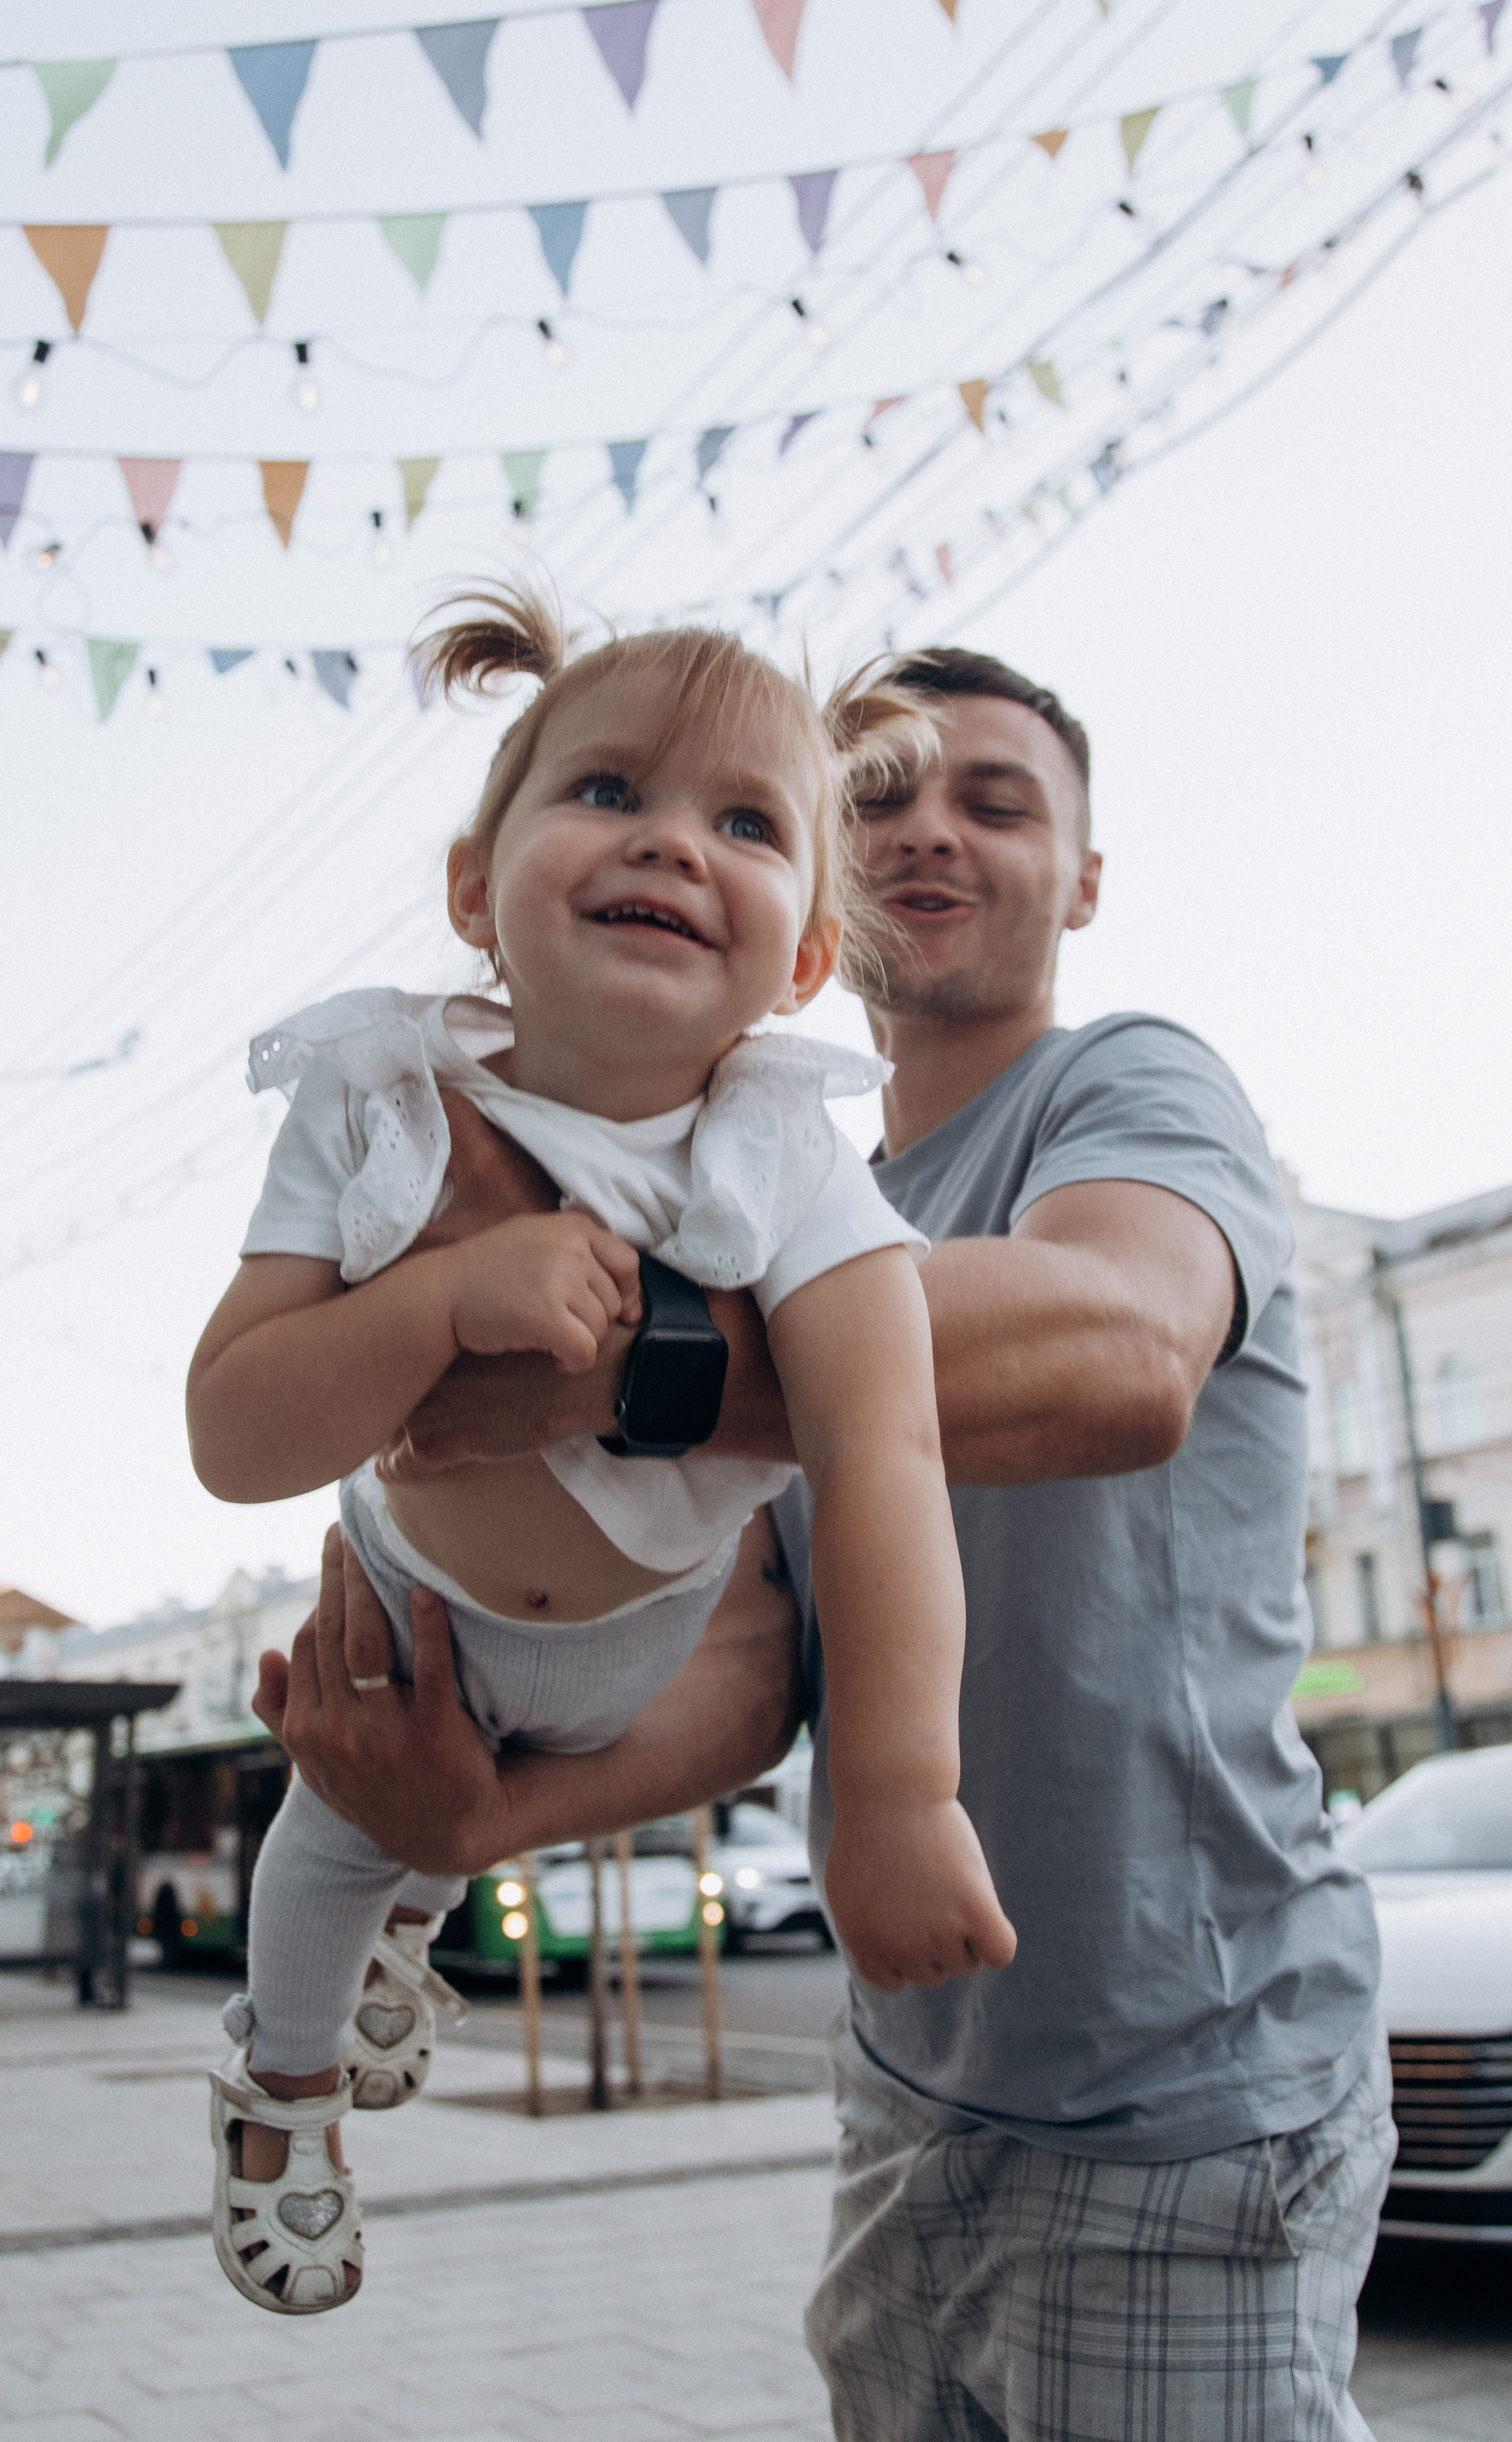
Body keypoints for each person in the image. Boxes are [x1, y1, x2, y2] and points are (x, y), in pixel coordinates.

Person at [260, 644, 1393, 2438]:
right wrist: (467, 1823)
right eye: (877, 797)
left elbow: (1121, 1345)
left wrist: (614, 1363)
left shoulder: (1127, 1083)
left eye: (995, 799)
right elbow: (756, 1655)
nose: (929, 829)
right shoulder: (759, 1180)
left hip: (1189, 2073)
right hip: (907, 2080)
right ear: (823, 889)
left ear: (1081, 878)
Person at [188, 588, 1013, 2316]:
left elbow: (883, 1453)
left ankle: (413, 1917)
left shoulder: (786, 1155)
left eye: (743, 820)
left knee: (416, 1839)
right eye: (606, 791)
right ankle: (282, 2086)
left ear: (802, 954)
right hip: (411, 1618)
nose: (667, 842)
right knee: (339, 1832)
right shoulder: (382, 1098)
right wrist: (439, 1304)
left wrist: (897, 1792)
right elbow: (230, 1431)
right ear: (471, 884)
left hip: (638, 1661)